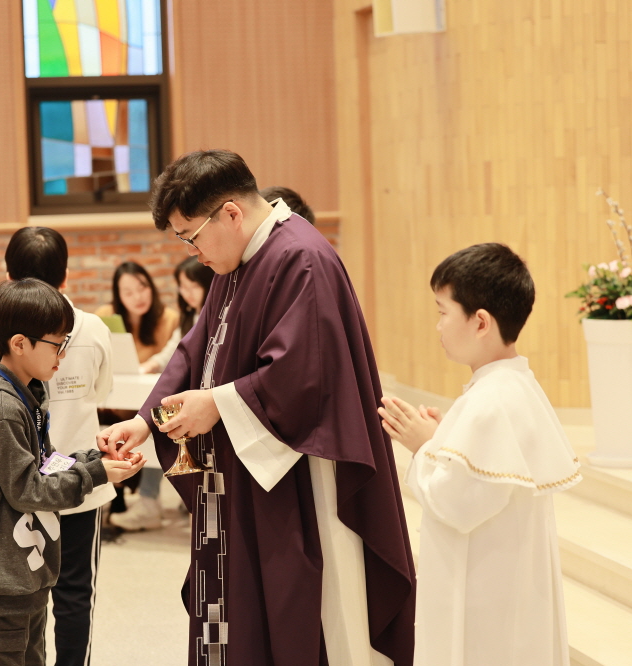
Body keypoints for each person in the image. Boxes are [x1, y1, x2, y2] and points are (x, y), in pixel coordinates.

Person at [100, 150, 416, 666]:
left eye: (191, 236)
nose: (192, 252)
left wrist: (217, 404)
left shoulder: (300, 258)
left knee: (299, 616)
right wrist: (146, 419)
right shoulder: (239, 259)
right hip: (241, 473)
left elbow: (304, 375)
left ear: (230, 213)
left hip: (296, 478)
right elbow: (196, 349)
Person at [378, 243, 579, 666]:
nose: (438, 326)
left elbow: (457, 503)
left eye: (443, 311)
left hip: (487, 595)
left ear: (481, 322)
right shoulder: (513, 384)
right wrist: (442, 439)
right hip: (507, 585)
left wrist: (423, 446)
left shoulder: (490, 400)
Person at [0, 278, 144, 666]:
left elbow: (45, 464)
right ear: (19, 344)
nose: (63, 353)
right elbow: (29, 489)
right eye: (57, 344)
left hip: (24, 570)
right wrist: (97, 475)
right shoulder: (0, 409)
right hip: (1, 579)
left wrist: (93, 458)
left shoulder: (25, 391)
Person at [114, 256, 214, 531]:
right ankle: (150, 501)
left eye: (193, 286)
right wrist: (148, 366)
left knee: (161, 427)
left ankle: (159, 500)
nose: (187, 293)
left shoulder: (204, 314)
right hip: (176, 394)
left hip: (202, 399)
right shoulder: (188, 317)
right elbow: (173, 353)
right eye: (182, 287)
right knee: (153, 428)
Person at [96, 261, 179, 364]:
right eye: (128, 293)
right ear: (119, 296)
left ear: (151, 287)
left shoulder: (170, 319)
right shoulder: (105, 315)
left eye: (142, 288)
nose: (138, 297)